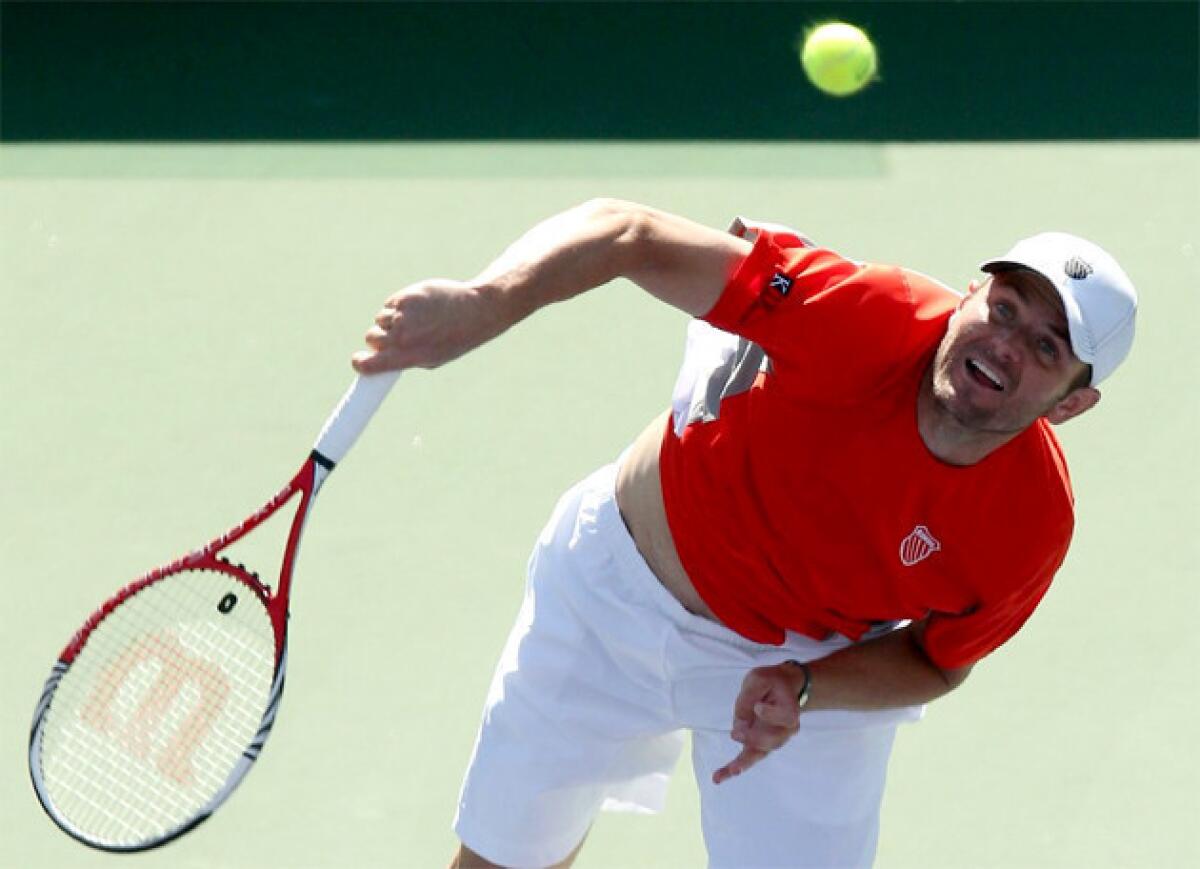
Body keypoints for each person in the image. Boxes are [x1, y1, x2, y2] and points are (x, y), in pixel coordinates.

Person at [350, 199, 1138, 868]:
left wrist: (806, 685)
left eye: (1045, 347)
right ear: (970, 297)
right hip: (611, 597)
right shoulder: (867, 315)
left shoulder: (1029, 525)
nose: (1004, 340)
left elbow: (936, 663)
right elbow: (629, 234)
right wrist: (486, 300)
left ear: (1070, 404)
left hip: (803, 660)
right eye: (1003, 307)